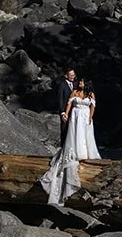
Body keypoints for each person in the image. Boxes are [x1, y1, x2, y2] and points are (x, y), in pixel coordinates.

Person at [40, 78, 100, 206]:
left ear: (87, 84)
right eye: (79, 82)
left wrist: (90, 116)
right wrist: (66, 114)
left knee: (86, 136)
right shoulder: (74, 92)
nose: (79, 84)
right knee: (75, 135)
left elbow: (93, 106)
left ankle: (86, 153)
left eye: (82, 82)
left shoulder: (91, 94)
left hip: (85, 116)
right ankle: (77, 152)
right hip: (76, 115)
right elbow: (69, 104)